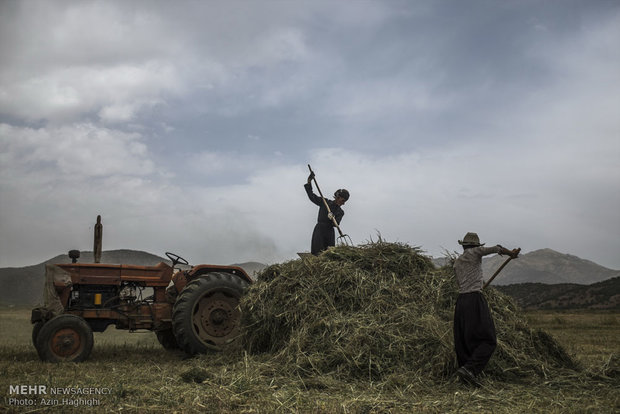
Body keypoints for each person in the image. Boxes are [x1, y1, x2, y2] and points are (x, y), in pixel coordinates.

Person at [453, 232, 520, 386]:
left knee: (464, 340)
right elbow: (496, 248)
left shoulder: (457, 263)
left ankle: (465, 374)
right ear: (475, 246)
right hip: (474, 299)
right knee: (489, 339)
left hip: (461, 301)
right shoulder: (475, 252)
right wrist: (511, 253)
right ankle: (470, 369)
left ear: (463, 245)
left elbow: (460, 284)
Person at [304, 171, 349, 255]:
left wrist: (333, 218)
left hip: (329, 233)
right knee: (318, 253)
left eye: (345, 201)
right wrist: (309, 181)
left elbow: (336, 224)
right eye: (343, 200)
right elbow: (311, 196)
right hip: (319, 230)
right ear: (338, 197)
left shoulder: (340, 212)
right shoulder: (324, 202)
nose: (343, 203)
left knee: (329, 254)